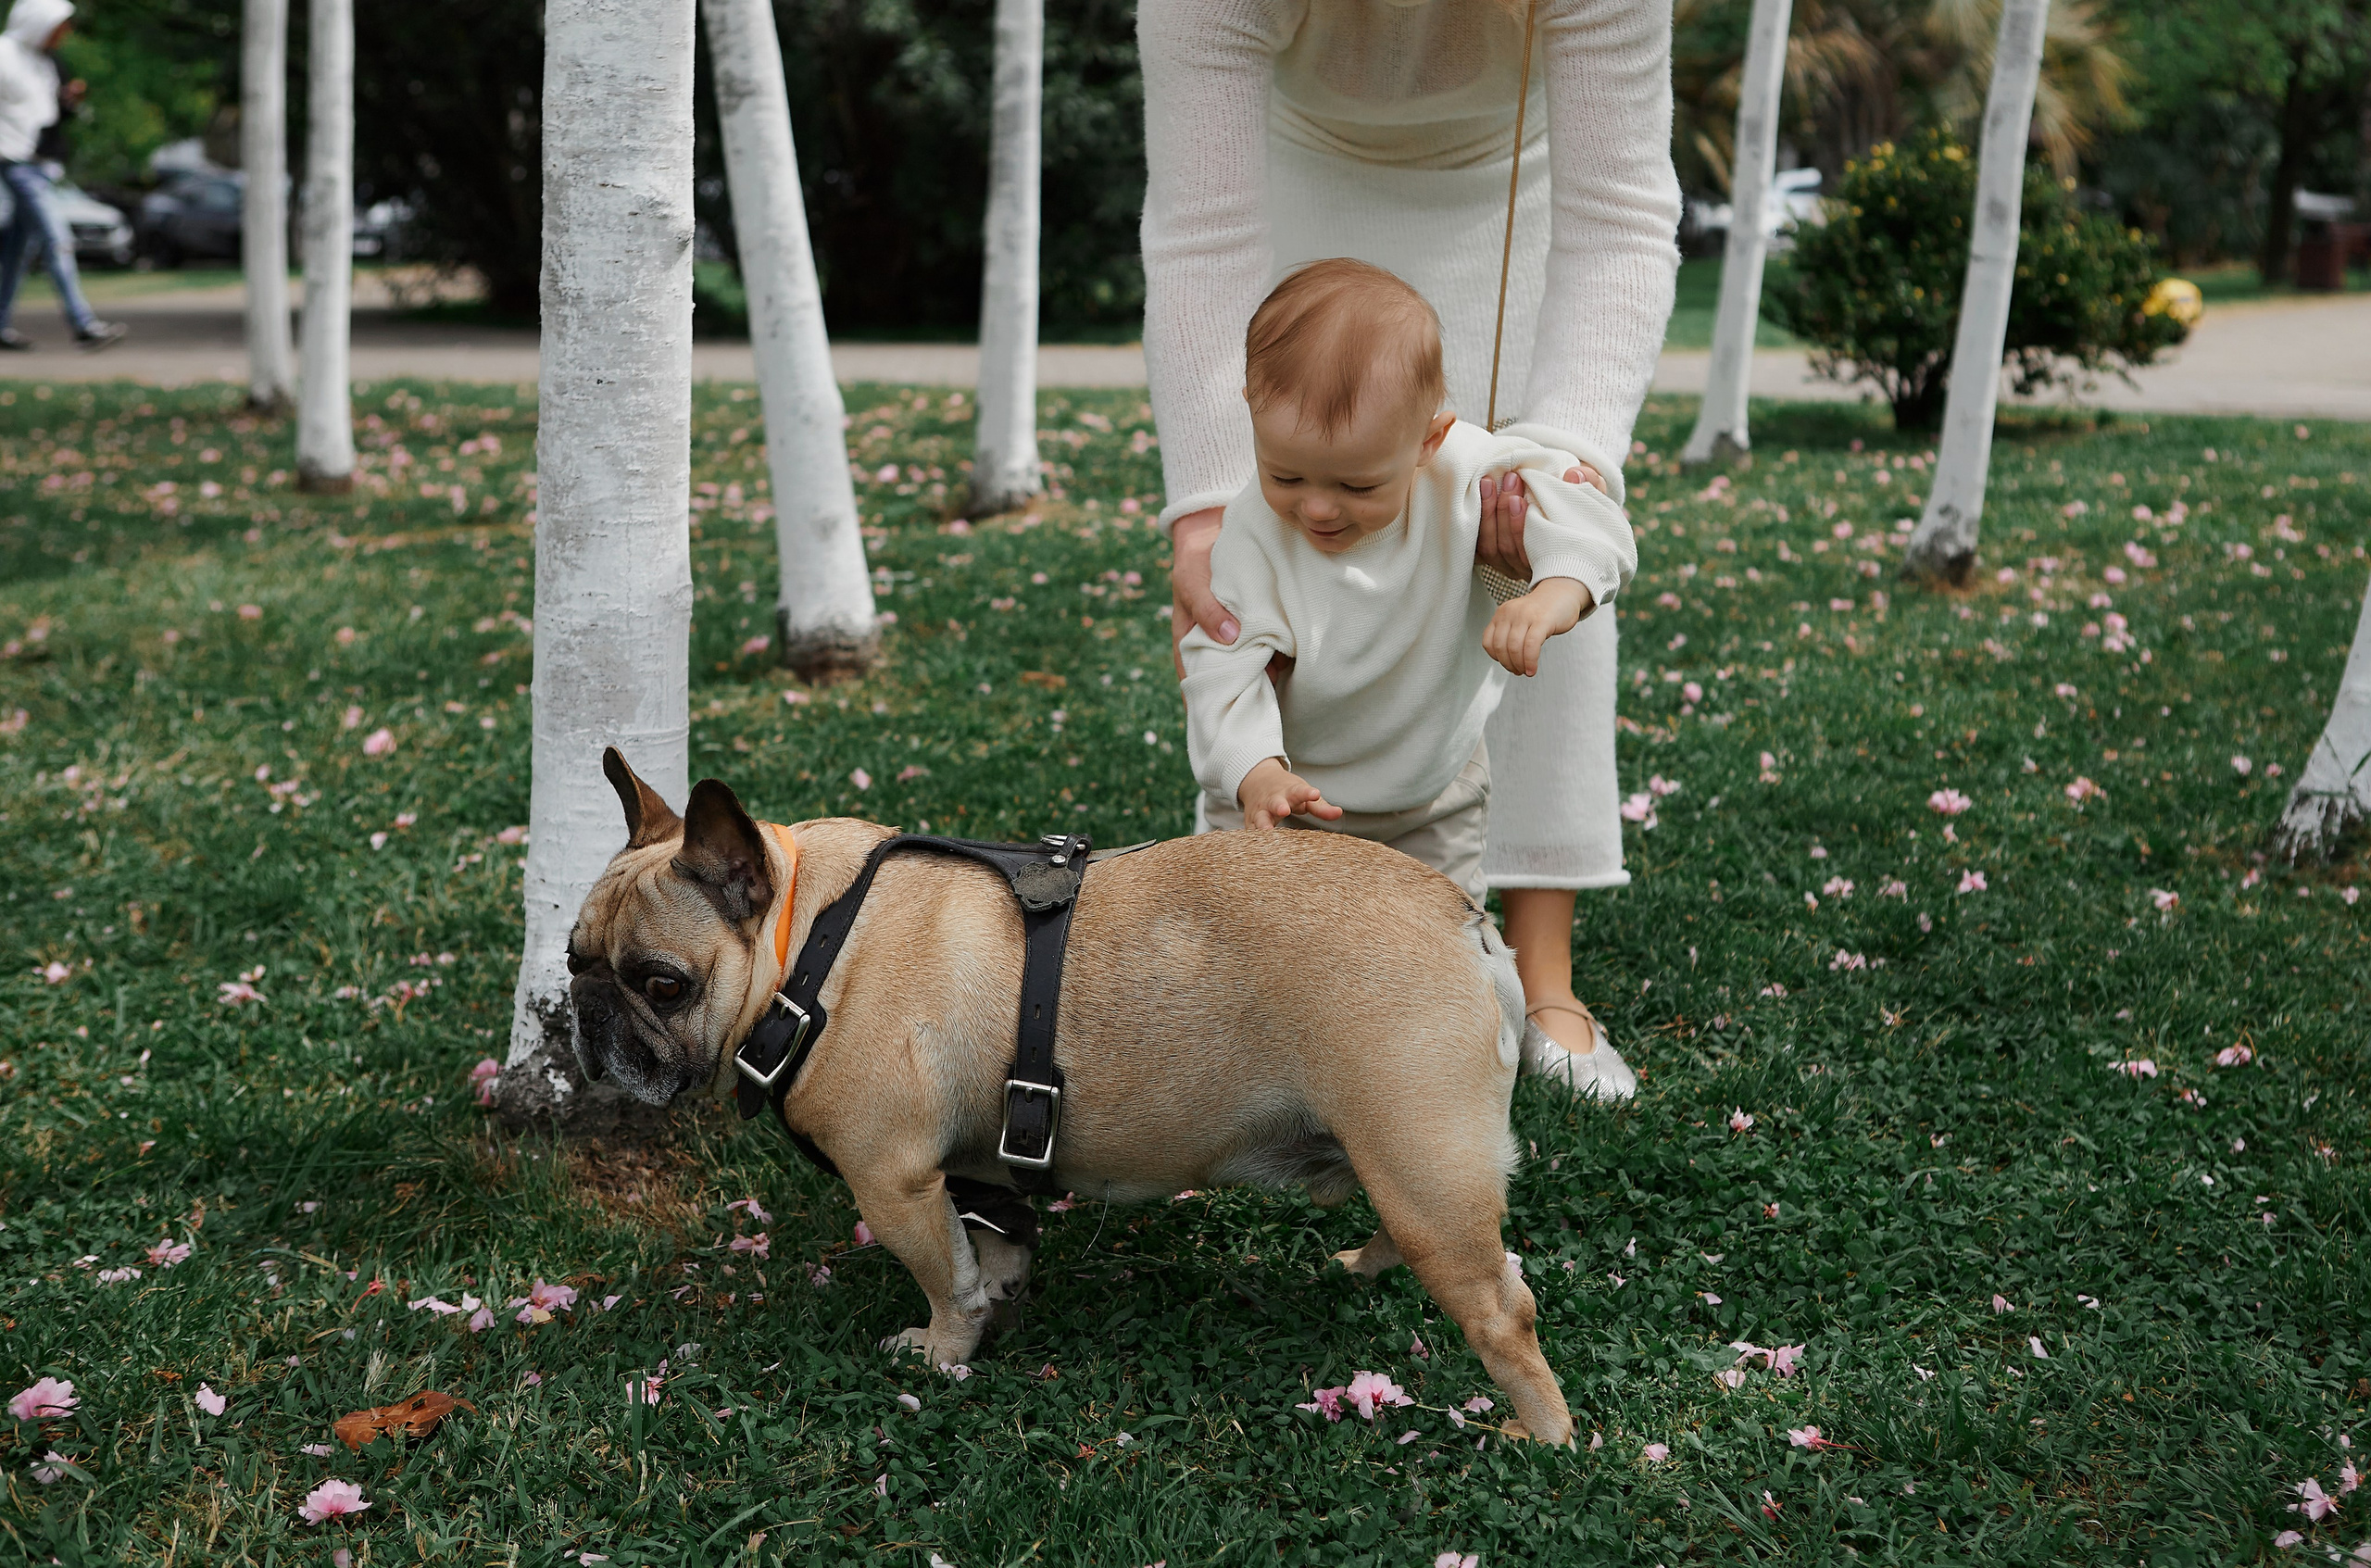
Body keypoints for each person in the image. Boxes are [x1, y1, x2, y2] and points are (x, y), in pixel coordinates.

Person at [1140, 0, 1678, 1079]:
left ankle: (1542, 976)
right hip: (1295, 201)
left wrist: (1562, 457)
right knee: (1282, 574)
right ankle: (1274, 935)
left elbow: (1618, 210)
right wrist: (1207, 505)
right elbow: (1201, 229)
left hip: (1519, 187)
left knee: (1527, 535)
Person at [0, 0, 123, 350]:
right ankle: (83, 323)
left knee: (16, 250)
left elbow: (46, 115)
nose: (65, 35)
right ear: (39, 23)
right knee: (57, 238)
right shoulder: (4, 54)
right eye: (60, 26)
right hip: (14, 161)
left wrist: (68, 102)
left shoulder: (46, 62)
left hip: (40, 162)